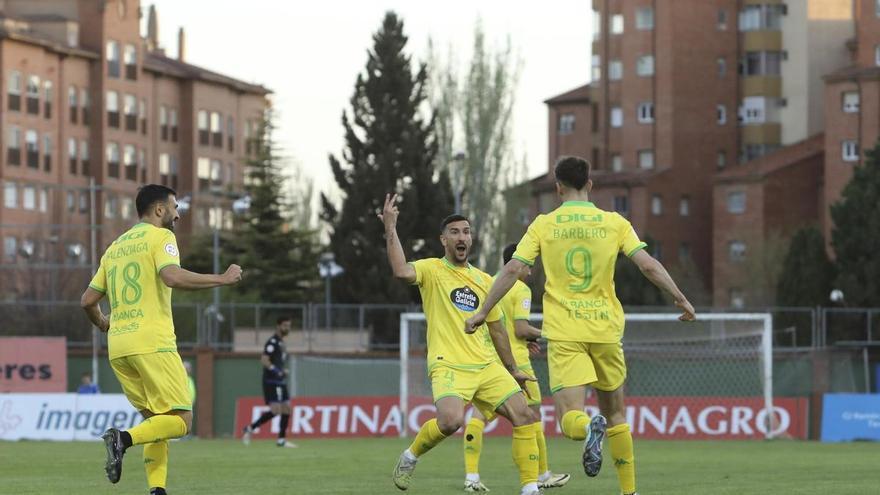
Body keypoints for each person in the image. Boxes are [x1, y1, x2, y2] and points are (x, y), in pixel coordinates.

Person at [465, 156, 696, 495]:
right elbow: (648, 265)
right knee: (616, 414)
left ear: (558, 188)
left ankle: (589, 427)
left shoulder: (544, 225)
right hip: (605, 331)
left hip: (565, 332)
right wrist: (679, 296)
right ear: (590, 185)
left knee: (570, 416)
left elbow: (513, 269)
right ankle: (628, 492)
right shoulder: (615, 222)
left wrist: (484, 310)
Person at [80, 184, 243, 495]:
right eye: (175, 207)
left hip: (119, 348)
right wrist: (221, 278)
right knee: (182, 420)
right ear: (158, 210)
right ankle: (122, 439)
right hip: (152, 342)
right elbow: (172, 276)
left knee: (158, 423)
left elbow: (87, 300)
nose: (178, 214)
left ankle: (157, 491)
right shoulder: (161, 237)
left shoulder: (115, 247)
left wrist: (103, 323)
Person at [380, 193, 543, 495]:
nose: (461, 236)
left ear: (471, 239)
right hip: (449, 363)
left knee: (525, 415)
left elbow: (497, 330)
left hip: (486, 365)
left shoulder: (484, 280)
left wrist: (512, 370)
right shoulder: (432, 270)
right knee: (451, 421)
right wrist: (391, 227)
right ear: (443, 239)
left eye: (466, 231)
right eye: (454, 232)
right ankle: (410, 455)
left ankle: (530, 487)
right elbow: (401, 270)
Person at [462, 243, 570, 492]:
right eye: (528, 265)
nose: (529, 272)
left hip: (490, 359)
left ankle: (471, 477)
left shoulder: (489, 282)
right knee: (530, 418)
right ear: (518, 262)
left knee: (478, 417)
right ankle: (541, 474)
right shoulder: (519, 288)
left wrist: (526, 337)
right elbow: (520, 328)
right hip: (516, 362)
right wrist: (551, 334)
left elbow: (499, 324)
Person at [242, 316, 297, 448]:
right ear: (278, 326)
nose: (287, 328)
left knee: (287, 409)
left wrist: (282, 371)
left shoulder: (281, 343)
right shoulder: (272, 342)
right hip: (271, 381)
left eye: (289, 326)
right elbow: (265, 360)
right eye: (285, 326)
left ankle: (281, 440)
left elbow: (277, 361)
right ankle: (249, 428)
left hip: (280, 380)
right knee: (276, 410)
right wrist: (277, 371)